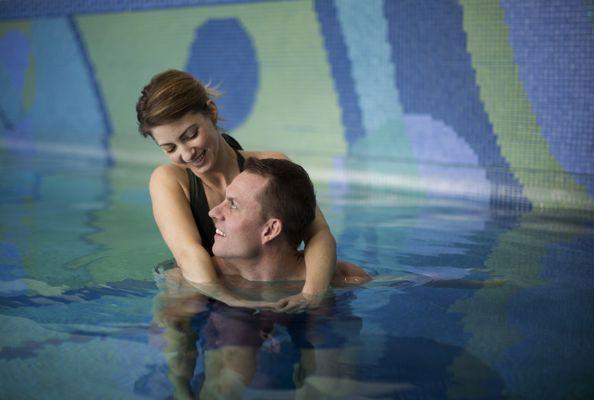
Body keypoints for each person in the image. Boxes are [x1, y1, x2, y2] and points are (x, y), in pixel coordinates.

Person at [136, 69, 338, 311]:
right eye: (170, 148)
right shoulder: (170, 179)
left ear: (211, 113)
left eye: (191, 135)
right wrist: (235, 302)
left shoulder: (269, 168)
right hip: (202, 284)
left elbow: (318, 234)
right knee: (178, 326)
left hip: (261, 280)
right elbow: (188, 253)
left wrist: (310, 296)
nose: (186, 153)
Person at [207, 157, 371, 286]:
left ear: (270, 230)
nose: (213, 212)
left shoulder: (349, 280)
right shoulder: (202, 274)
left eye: (233, 205)